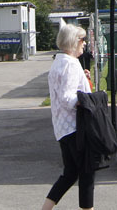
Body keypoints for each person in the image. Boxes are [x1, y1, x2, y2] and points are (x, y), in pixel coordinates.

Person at [43, 25, 95, 210]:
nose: (85, 44)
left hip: (61, 127)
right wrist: (88, 100)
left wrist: (83, 77)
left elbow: (63, 89)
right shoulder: (71, 64)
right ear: (73, 41)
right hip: (75, 127)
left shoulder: (59, 61)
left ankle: (46, 208)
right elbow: (68, 98)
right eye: (82, 40)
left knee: (71, 173)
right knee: (87, 171)